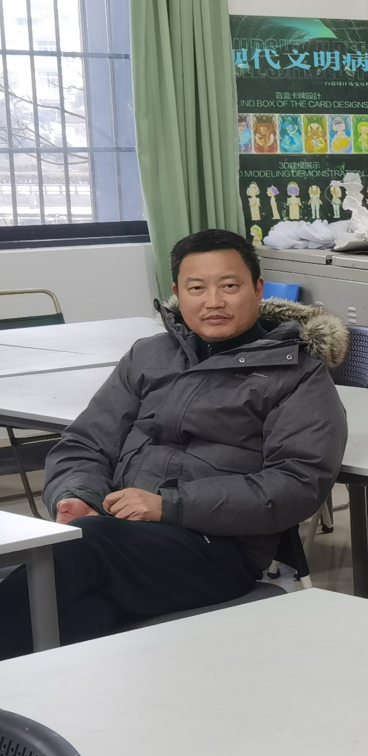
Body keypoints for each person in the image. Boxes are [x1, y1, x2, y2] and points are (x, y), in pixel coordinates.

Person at [0, 228, 347, 656]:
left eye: (229, 286)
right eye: (196, 288)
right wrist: (76, 495)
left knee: (77, 550)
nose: (213, 301)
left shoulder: (298, 374)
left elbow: (297, 483)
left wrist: (169, 505)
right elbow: (85, 442)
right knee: (76, 618)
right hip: (121, 534)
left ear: (258, 290)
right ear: (178, 294)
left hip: (216, 549)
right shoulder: (149, 355)